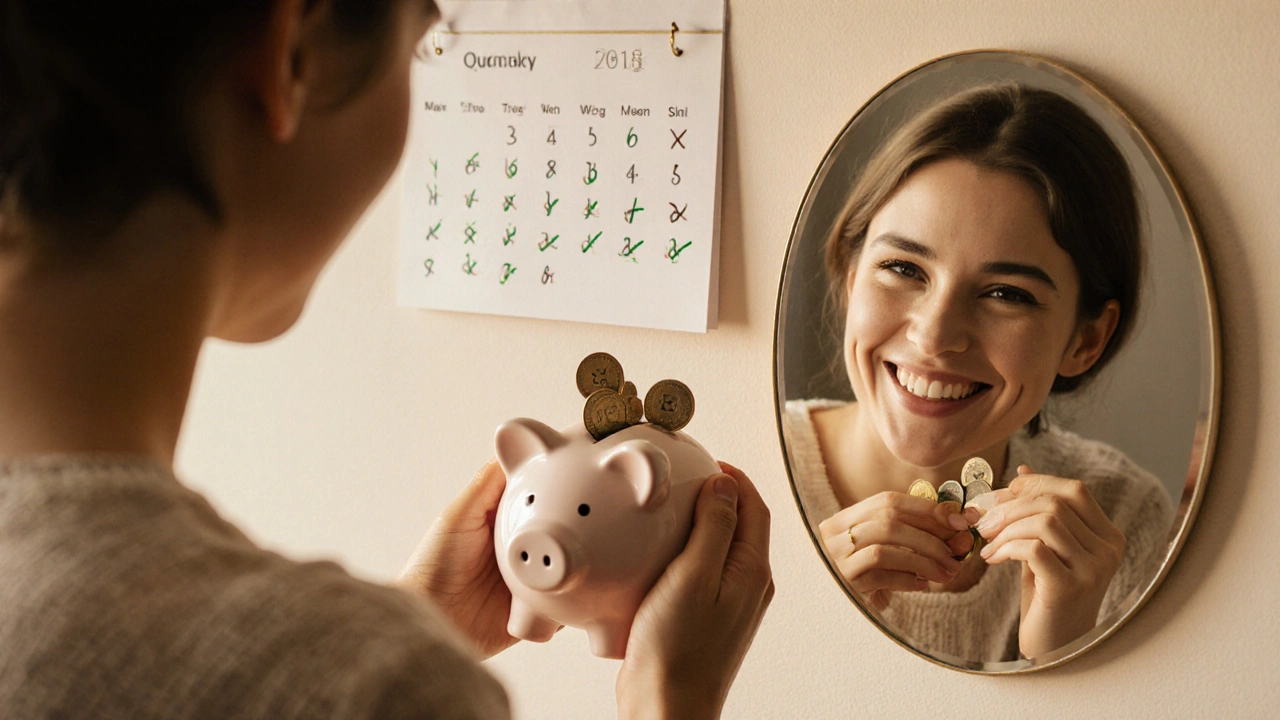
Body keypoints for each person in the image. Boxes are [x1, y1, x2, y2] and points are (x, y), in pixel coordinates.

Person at [0, 1, 773, 717]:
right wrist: (670, 697)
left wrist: (406, 631)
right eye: (424, 45)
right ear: (289, 56)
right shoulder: (369, 687)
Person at [782, 84, 1172, 662]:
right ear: (847, 272)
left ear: (1086, 340)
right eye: (902, 267)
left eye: (1005, 293)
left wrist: (1063, 657)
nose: (935, 336)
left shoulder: (1124, 517)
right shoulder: (737, 480)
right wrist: (801, 631)